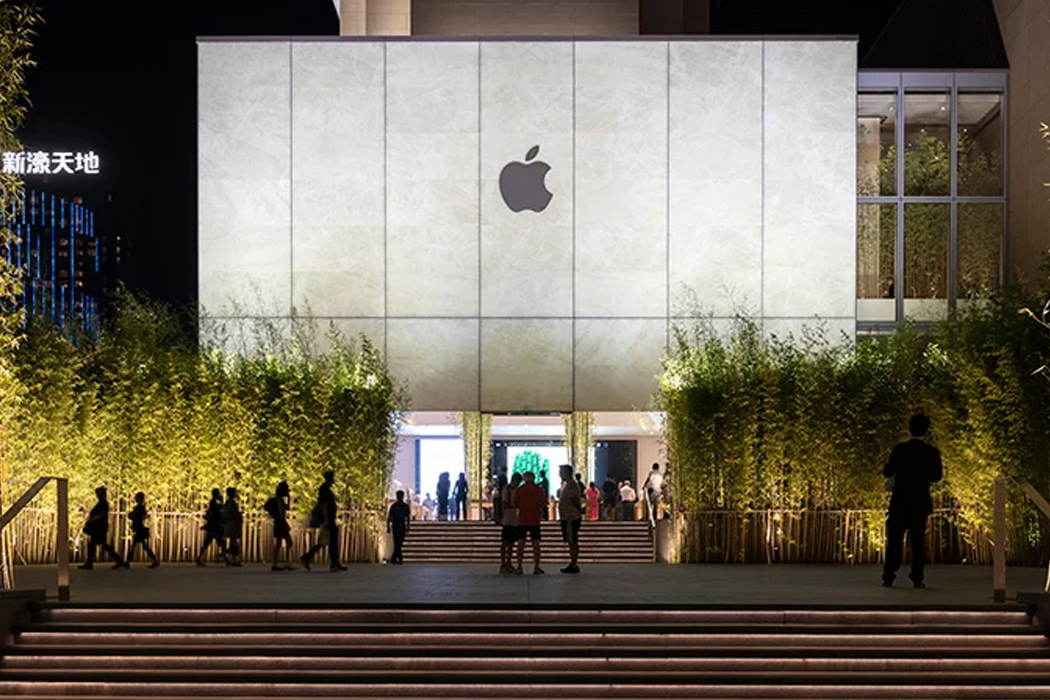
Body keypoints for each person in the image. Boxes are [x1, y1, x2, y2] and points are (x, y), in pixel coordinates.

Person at [882, 413, 944, 589]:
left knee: (894, 539)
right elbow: (937, 476)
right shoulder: (932, 452)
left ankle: (889, 576)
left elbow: (887, 472)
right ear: (926, 431)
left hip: (900, 501)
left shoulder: (899, 449)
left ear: (909, 429)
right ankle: (917, 576)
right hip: (920, 502)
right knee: (918, 542)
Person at [301, 470, 347, 571]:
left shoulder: (325, 489)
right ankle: (333, 562)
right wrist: (326, 519)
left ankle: (309, 557)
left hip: (329, 518)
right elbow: (324, 505)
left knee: (327, 540)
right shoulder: (324, 490)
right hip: (328, 519)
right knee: (330, 540)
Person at [79, 486, 127, 570]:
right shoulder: (102, 503)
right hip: (98, 527)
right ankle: (118, 560)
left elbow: (101, 514)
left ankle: (90, 562)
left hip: (99, 527)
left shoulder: (103, 503)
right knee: (99, 545)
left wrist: (92, 520)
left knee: (99, 545)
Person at [512, 471, 546, 575]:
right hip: (534, 519)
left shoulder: (519, 490)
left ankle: (519, 566)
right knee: (536, 544)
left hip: (522, 519)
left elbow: (515, 503)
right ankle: (536, 566)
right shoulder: (539, 490)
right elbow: (543, 503)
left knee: (521, 543)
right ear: (534, 478)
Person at [557, 464, 583, 574]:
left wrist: (576, 511)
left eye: (561, 472)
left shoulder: (572, 485)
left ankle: (574, 563)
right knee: (570, 541)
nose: (559, 474)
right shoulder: (567, 485)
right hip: (568, 517)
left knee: (572, 541)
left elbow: (575, 500)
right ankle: (572, 563)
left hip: (571, 517)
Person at [126, 491, 160, 568]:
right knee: (142, 546)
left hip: (139, 528)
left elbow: (132, 516)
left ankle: (127, 561)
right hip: (139, 528)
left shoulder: (140, 508)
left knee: (136, 546)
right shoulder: (140, 508)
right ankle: (154, 559)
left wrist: (132, 515)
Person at [265, 481, 293, 571]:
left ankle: (277, 563)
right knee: (287, 542)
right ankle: (283, 562)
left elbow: (287, 508)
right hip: (280, 523)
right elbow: (283, 511)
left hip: (279, 523)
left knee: (280, 543)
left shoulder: (279, 500)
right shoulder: (277, 500)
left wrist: (288, 498)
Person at [497, 473, 522, 574]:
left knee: (511, 543)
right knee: (505, 542)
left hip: (515, 519)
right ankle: (503, 563)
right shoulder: (506, 489)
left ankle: (509, 562)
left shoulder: (517, 489)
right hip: (508, 519)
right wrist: (514, 505)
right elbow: (505, 503)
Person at [195, 488, 226, 566]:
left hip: (213, 525)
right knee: (220, 543)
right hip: (214, 525)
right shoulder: (214, 503)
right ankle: (226, 559)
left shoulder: (213, 502)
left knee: (208, 542)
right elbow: (217, 512)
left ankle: (199, 558)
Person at [387, 490, 411, 564]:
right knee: (397, 541)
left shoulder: (405, 506)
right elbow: (389, 517)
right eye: (398, 496)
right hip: (395, 525)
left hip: (402, 526)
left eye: (400, 496)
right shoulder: (394, 506)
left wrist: (408, 526)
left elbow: (408, 517)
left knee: (400, 542)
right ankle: (400, 558)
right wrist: (388, 526)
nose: (399, 497)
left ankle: (394, 557)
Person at [222, 487, 243, 567]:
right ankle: (234, 559)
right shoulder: (233, 504)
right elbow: (234, 514)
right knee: (233, 541)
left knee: (231, 541)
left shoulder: (227, 503)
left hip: (228, 524)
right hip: (232, 524)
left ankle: (230, 558)